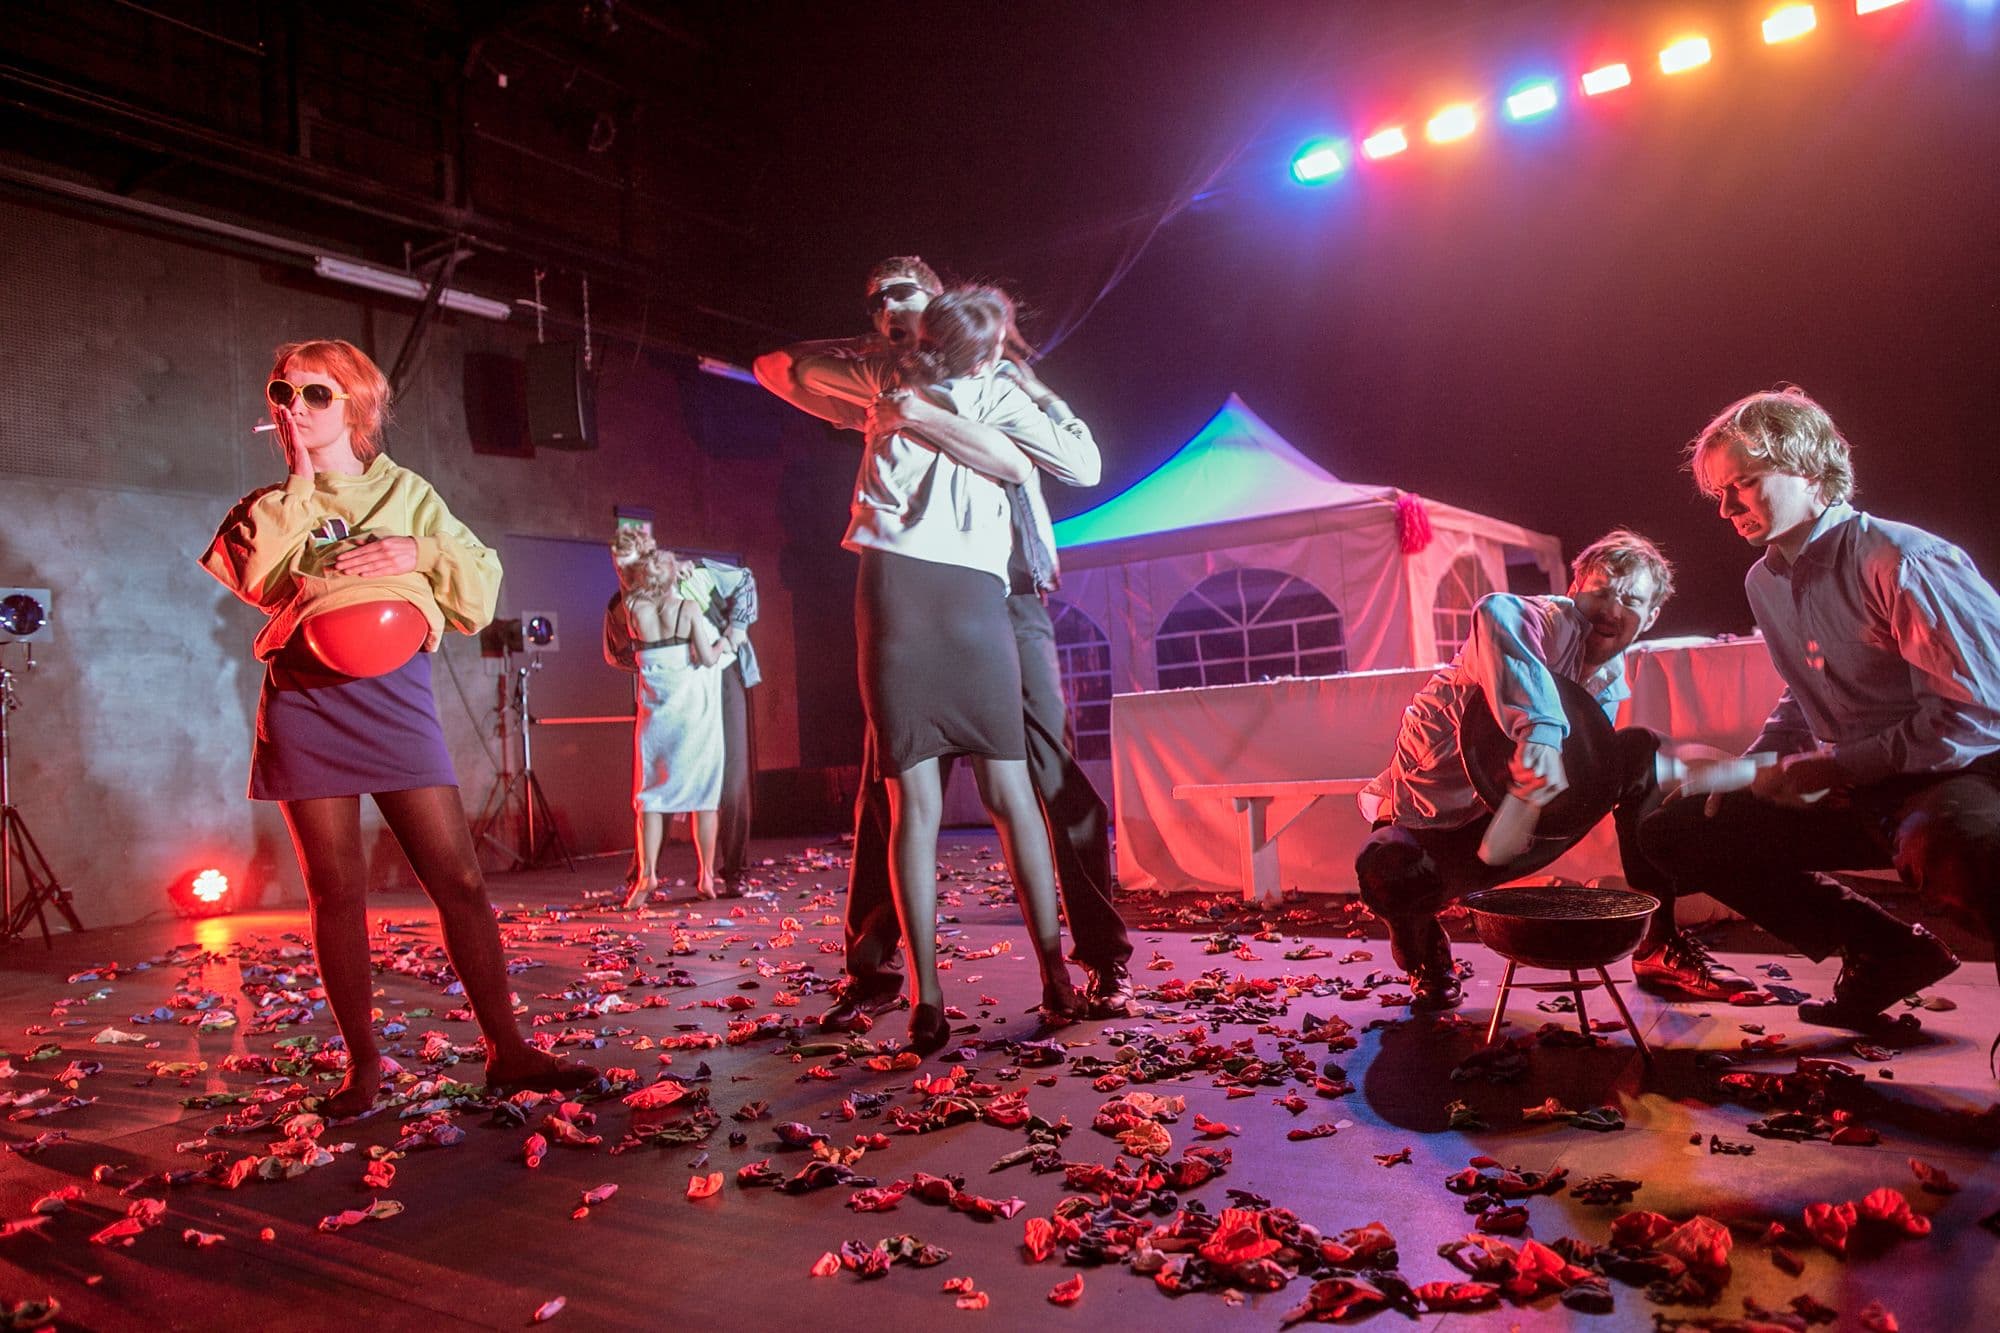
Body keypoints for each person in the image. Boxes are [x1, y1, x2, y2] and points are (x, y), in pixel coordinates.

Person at [200, 339, 597, 1115]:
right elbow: (252, 576)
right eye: (283, 393)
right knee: (335, 890)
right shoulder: (273, 502)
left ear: (356, 404)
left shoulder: (406, 491)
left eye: (316, 393)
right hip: (307, 698)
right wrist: (302, 479)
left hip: (394, 697)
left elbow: (478, 584)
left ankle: (508, 1049)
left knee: (459, 878)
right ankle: (364, 1066)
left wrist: (416, 548)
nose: (295, 407)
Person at [755, 257, 1132, 1030]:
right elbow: (776, 366)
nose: (890, 307)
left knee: (1047, 772)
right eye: (877, 302)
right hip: (912, 585)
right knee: (890, 786)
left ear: (940, 304)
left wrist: (996, 396)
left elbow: (1066, 463)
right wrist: (883, 359)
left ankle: (1098, 956)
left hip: (1009, 590)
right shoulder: (882, 375)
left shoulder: (1001, 378)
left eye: (906, 294)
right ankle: (877, 971)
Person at [1641, 387, 1999, 1035]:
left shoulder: (1902, 558)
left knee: (1958, 844)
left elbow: (1976, 715)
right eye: (1719, 491)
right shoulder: (1764, 580)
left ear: (1809, 468)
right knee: (1680, 829)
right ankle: (1887, 951)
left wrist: (1835, 767)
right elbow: (1807, 691)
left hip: (1954, 774)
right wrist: (1749, 769)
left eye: (1743, 483)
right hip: (1858, 785)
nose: (1725, 508)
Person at [1355, 530, 1752, 1009]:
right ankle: (1421, 946)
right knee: (1385, 864)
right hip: (1435, 833)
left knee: (1639, 752)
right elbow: (1495, 609)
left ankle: (1659, 945)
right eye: (1600, 593)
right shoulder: (1534, 622)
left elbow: (1582, 779)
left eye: (1630, 601)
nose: (1611, 610)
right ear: (1573, 591)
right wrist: (1541, 733)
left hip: (1523, 831)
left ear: (1650, 617)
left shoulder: (1609, 680)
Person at [603, 535, 760, 891]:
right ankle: (643, 875)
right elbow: (616, 654)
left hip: (719, 680)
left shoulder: (696, 575)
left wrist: (736, 629)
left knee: (729, 776)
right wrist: (663, 661)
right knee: (656, 780)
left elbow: (744, 581)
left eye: (629, 565)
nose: (624, 574)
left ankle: (732, 872)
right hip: (671, 692)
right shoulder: (623, 607)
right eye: (619, 568)